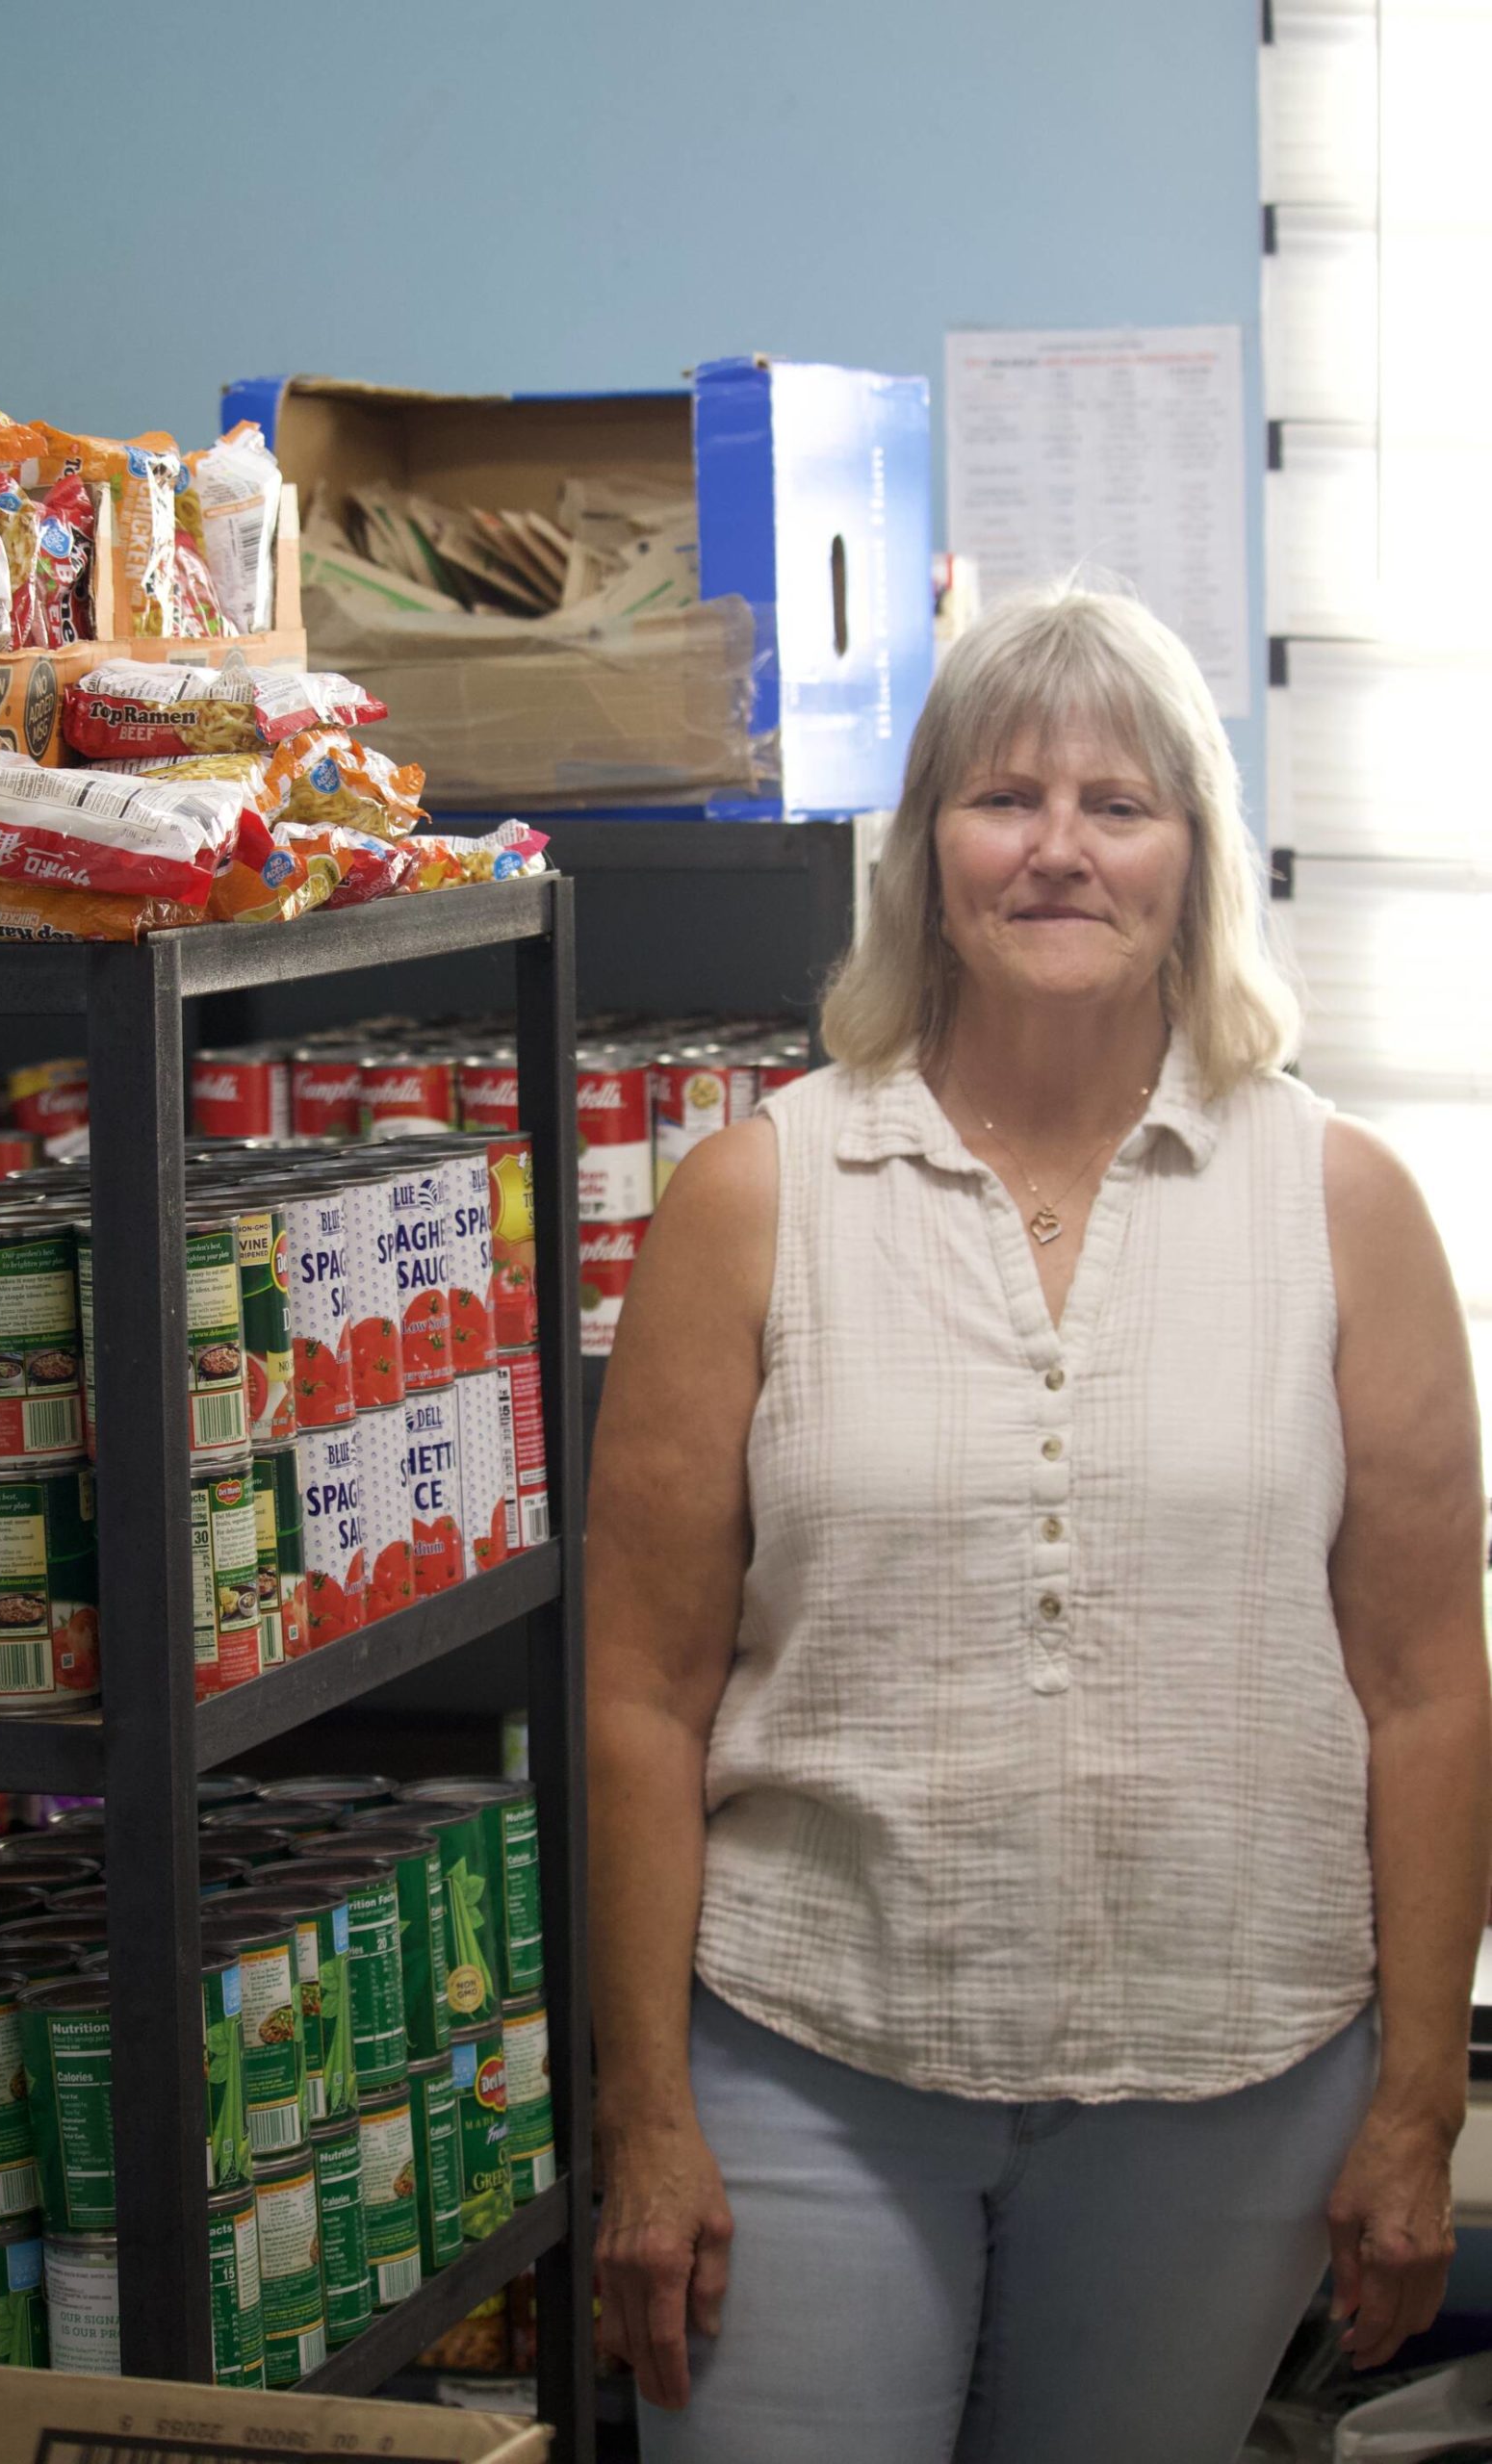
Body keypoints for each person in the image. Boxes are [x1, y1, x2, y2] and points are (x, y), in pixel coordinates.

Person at [585, 584, 1492, 2464]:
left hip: (1232, 2064)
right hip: (805, 2047)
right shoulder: (755, 1197)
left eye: (1117, 801)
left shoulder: (1344, 1205)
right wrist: (644, 2111)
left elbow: (1422, 1685)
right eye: (1004, 798)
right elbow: (639, 1693)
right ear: (924, 853)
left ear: (1195, 857)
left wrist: (1415, 2098)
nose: (1059, 848)